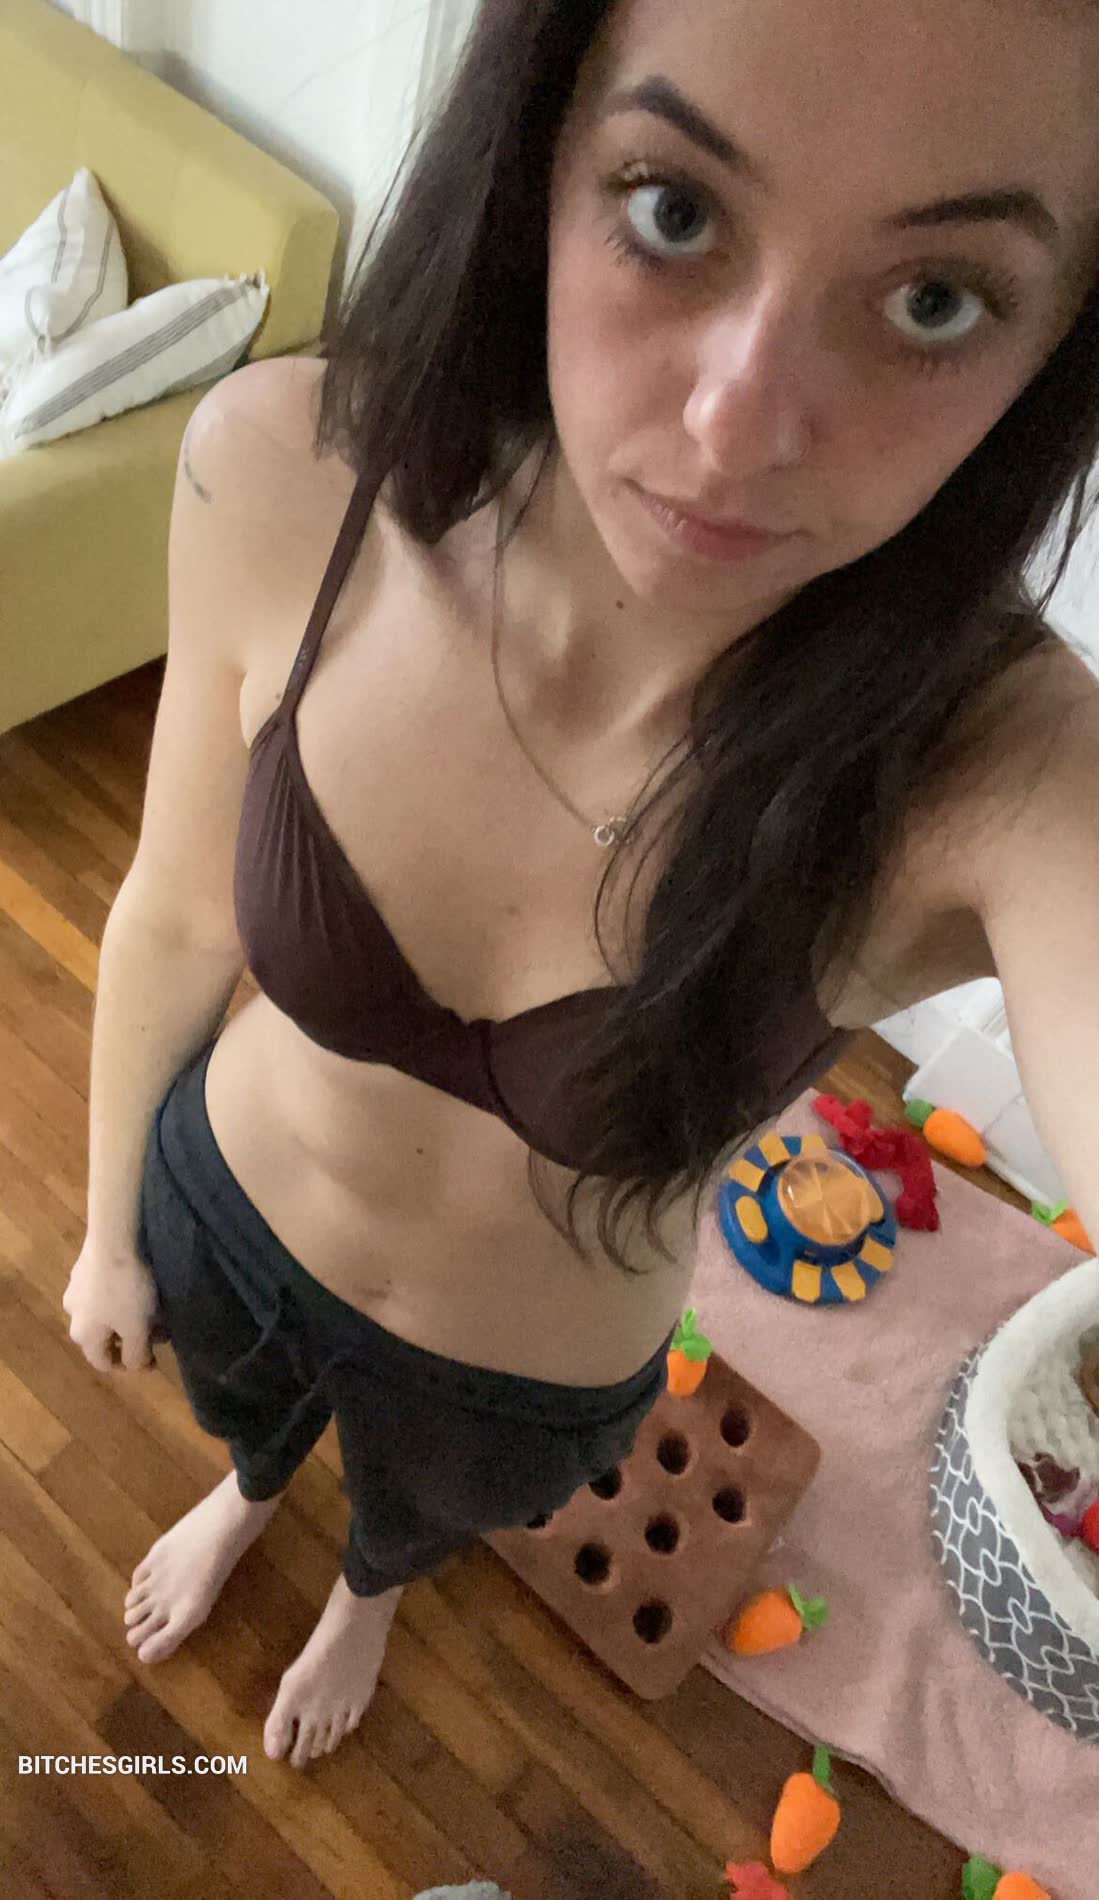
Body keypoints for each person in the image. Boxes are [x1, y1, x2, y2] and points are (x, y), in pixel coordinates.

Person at [62, 0, 1099, 1773]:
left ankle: (368, 1591)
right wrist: (103, 1229)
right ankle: (251, 1494)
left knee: (413, 1525)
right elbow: (171, 908)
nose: (736, 421)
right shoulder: (286, 472)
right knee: (248, 1429)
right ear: (538, 160)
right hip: (228, 1219)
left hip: (514, 1381)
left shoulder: (993, 776)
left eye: (936, 297)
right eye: (674, 208)